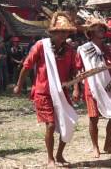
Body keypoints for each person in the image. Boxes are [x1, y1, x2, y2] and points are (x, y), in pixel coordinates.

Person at [14, 12, 78, 167]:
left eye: (66, 32)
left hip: (62, 92)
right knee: (50, 124)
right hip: (43, 92)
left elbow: (74, 71)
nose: (64, 35)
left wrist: (76, 87)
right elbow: (26, 66)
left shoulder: (70, 50)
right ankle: (50, 159)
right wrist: (19, 85)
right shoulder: (41, 46)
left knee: (68, 123)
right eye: (60, 31)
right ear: (53, 32)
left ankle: (59, 155)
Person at [74, 17, 111, 158]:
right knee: (94, 118)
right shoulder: (83, 49)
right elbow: (78, 71)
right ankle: (95, 147)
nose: (101, 30)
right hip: (91, 87)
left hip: (109, 86)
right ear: (90, 31)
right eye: (97, 28)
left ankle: (107, 144)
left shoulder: (109, 49)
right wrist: (77, 88)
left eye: (102, 28)